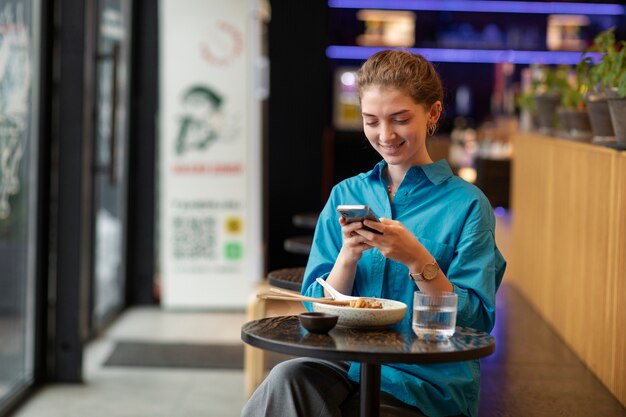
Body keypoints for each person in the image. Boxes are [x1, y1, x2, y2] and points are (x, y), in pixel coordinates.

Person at [242, 50, 506, 417]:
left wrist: (419, 260)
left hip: (423, 382)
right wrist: (347, 257)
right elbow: (312, 304)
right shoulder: (346, 195)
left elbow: (477, 319)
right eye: (371, 121)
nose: (385, 135)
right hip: (345, 364)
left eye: (399, 119)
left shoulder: (467, 205)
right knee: (286, 379)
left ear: (432, 113)